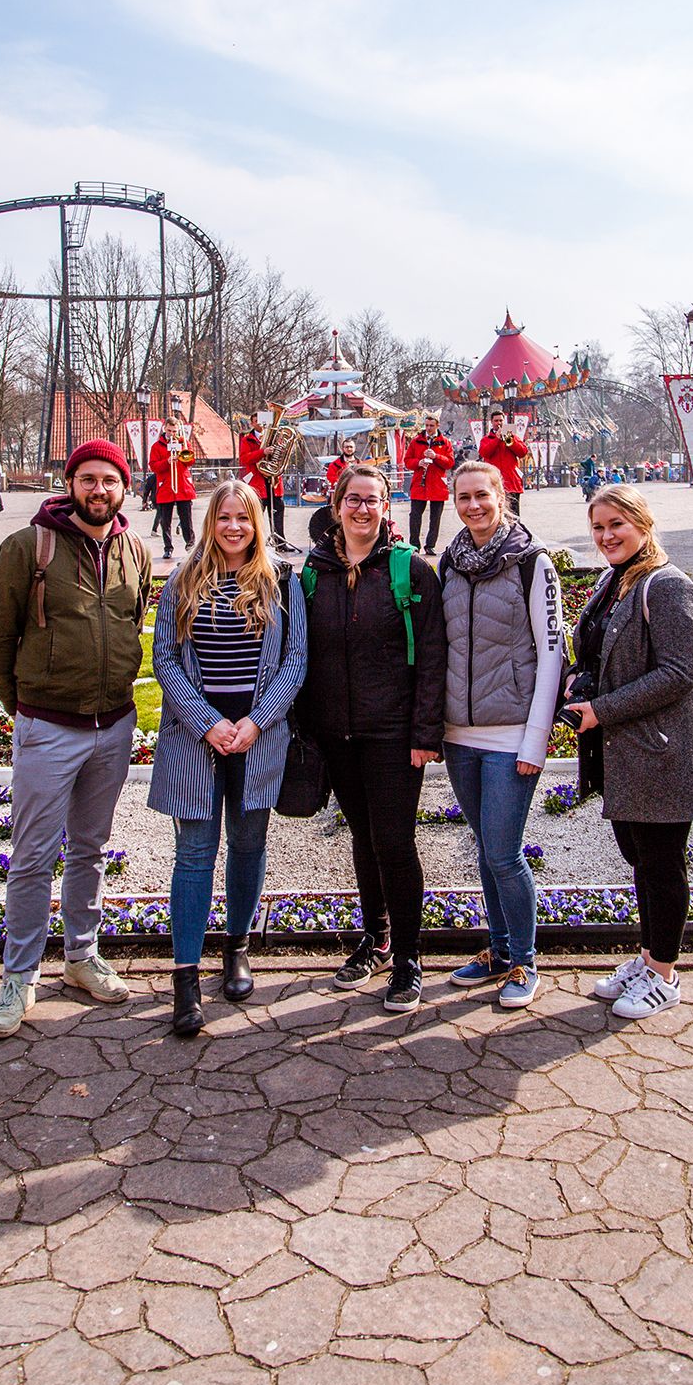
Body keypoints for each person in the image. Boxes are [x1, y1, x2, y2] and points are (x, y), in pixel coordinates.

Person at [0, 440, 153, 1039]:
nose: (98, 489)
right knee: (31, 856)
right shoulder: (29, 547)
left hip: (114, 724)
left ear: (123, 487)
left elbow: (132, 624)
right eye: (87, 479)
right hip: (48, 726)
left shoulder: (134, 549)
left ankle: (80, 955)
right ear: (70, 483)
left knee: (90, 848)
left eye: (109, 479)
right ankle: (18, 976)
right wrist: (27, 706)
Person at [149, 480, 307, 1035]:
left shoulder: (281, 581)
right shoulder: (183, 582)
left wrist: (255, 722)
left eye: (243, 517)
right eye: (223, 518)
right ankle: (186, 977)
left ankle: (237, 946)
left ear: (256, 522)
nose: (234, 527)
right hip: (197, 740)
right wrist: (207, 722)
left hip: (256, 738)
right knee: (194, 854)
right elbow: (164, 657)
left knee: (246, 844)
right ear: (210, 522)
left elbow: (296, 660)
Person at [298, 463, 446, 1014]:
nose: (363, 509)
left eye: (374, 500)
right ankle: (377, 939)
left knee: (394, 842)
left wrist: (425, 732)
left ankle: (408, 955)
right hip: (335, 732)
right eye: (353, 499)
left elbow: (434, 657)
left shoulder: (410, 571)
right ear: (336, 507)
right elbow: (298, 656)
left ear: (387, 507)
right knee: (362, 837)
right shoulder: (313, 572)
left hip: (393, 732)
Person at [565, 484, 693, 1020]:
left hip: (663, 748)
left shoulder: (667, 586)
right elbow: (602, 653)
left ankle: (666, 977)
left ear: (643, 526)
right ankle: (648, 958)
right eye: (599, 528)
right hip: (627, 748)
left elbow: (679, 673)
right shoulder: (614, 582)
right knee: (640, 858)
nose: (607, 537)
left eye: (617, 526)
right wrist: (578, 683)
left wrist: (602, 710)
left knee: (662, 862)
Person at [440, 462, 565, 1009]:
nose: (473, 506)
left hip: (512, 731)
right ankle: (497, 948)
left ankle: (524, 962)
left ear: (502, 495)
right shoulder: (450, 560)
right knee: (484, 849)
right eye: (463, 497)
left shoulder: (533, 562)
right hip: (458, 732)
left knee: (504, 852)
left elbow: (553, 650)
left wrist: (537, 735)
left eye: (482, 496)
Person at [239, 414, 297, 552]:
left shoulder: (276, 437)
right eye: (256, 421)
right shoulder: (248, 439)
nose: (261, 424)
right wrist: (262, 452)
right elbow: (245, 458)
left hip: (273, 481)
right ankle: (253, 544)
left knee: (278, 511)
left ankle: (280, 543)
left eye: (263, 421)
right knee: (256, 515)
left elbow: (282, 455)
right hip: (257, 482)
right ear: (252, 424)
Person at [404, 413, 455, 556]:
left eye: (432, 426)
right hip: (420, 484)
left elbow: (450, 463)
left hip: (437, 484)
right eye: (426, 425)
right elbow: (407, 461)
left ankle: (430, 545)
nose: (429, 428)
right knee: (414, 515)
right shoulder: (416, 441)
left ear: (437, 426)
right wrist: (418, 463)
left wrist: (436, 456)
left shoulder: (445, 442)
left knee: (435, 517)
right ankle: (414, 544)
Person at [148, 416, 196, 558]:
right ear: (165, 429)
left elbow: (191, 461)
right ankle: (168, 547)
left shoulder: (185, 443)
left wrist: (181, 452)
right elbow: (153, 466)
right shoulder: (157, 446)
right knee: (165, 521)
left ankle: (190, 545)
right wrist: (167, 461)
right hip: (166, 486)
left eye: (175, 431)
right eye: (169, 431)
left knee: (186, 518)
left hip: (182, 486)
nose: (172, 434)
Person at [308, 436, 358, 545]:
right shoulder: (335, 464)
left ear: (354, 448)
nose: (349, 449)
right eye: (347, 447)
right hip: (340, 494)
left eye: (351, 447)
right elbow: (331, 477)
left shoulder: (360, 463)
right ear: (342, 448)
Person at [479, 409, 529, 518]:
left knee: (514, 515)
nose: (499, 423)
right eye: (496, 421)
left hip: (511, 483)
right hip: (494, 482)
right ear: (491, 422)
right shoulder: (486, 439)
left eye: (501, 420)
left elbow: (522, 452)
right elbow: (485, 453)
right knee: (495, 513)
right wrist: (496, 440)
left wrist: (510, 441)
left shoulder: (513, 437)